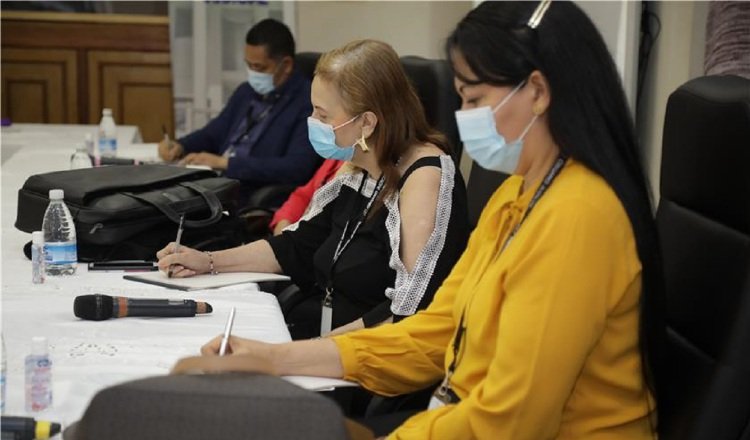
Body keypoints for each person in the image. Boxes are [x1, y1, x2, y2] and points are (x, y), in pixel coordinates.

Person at [172, 1, 666, 438]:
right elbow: (437, 330)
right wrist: (274, 359)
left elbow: (509, 422)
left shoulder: (579, 217)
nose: (464, 114)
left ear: (536, 91)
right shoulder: (518, 194)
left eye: (473, 99)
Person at [158, 39, 470, 340]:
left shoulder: (425, 177)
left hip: (369, 361)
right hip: (324, 336)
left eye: (322, 115)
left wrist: (315, 352)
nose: (312, 122)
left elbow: (410, 306)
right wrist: (208, 261)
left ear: (367, 124)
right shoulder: (360, 168)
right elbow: (297, 246)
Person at [158, 18, 321, 205]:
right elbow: (214, 133)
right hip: (216, 183)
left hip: (248, 193)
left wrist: (226, 163)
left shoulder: (308, 102)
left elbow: (296, 168)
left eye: (259, 67)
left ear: (286, 65)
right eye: (248, 65)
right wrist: (180, 145)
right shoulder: (246, 91)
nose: (252, 73)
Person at [269, 158, 344, 236]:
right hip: (298, 232)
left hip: (322, 237)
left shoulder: (353, 170)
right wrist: (284, 221)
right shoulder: (334, 158)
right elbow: (303, 195)